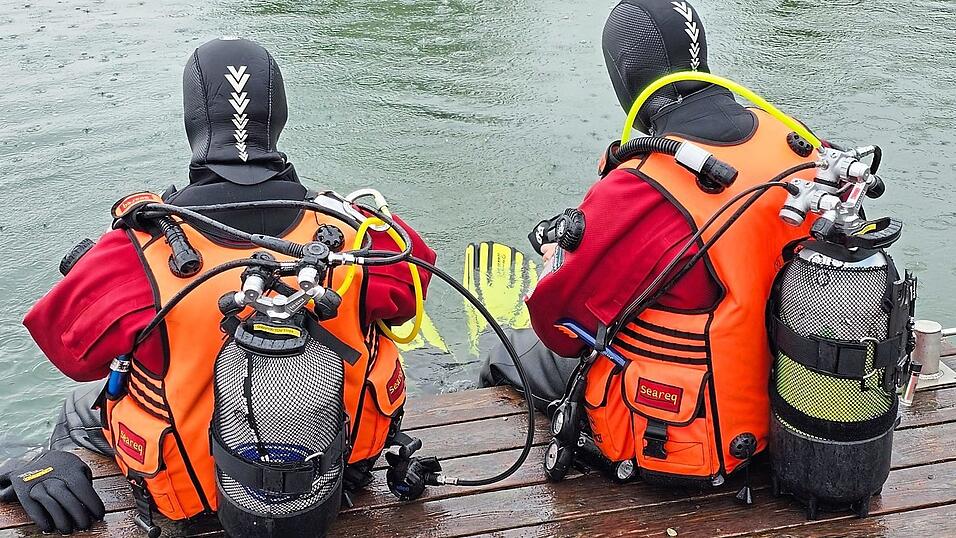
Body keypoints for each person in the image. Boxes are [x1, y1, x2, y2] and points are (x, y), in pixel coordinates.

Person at [6, 37, 435, 535]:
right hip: (338, 479)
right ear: (278, 117)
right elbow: (411, 293)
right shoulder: (362, 231)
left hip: (190, 496)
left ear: (194, 123)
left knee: (80, 407)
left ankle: (47, 465)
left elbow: (70, 356)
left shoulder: (130, 255)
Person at [481, 0, 819, 486]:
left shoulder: (643, 187)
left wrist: (557, 258)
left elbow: (561, 328)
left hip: (696, 436)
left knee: (500, 352)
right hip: (800, 407)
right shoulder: (793, 140)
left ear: (624, 74)